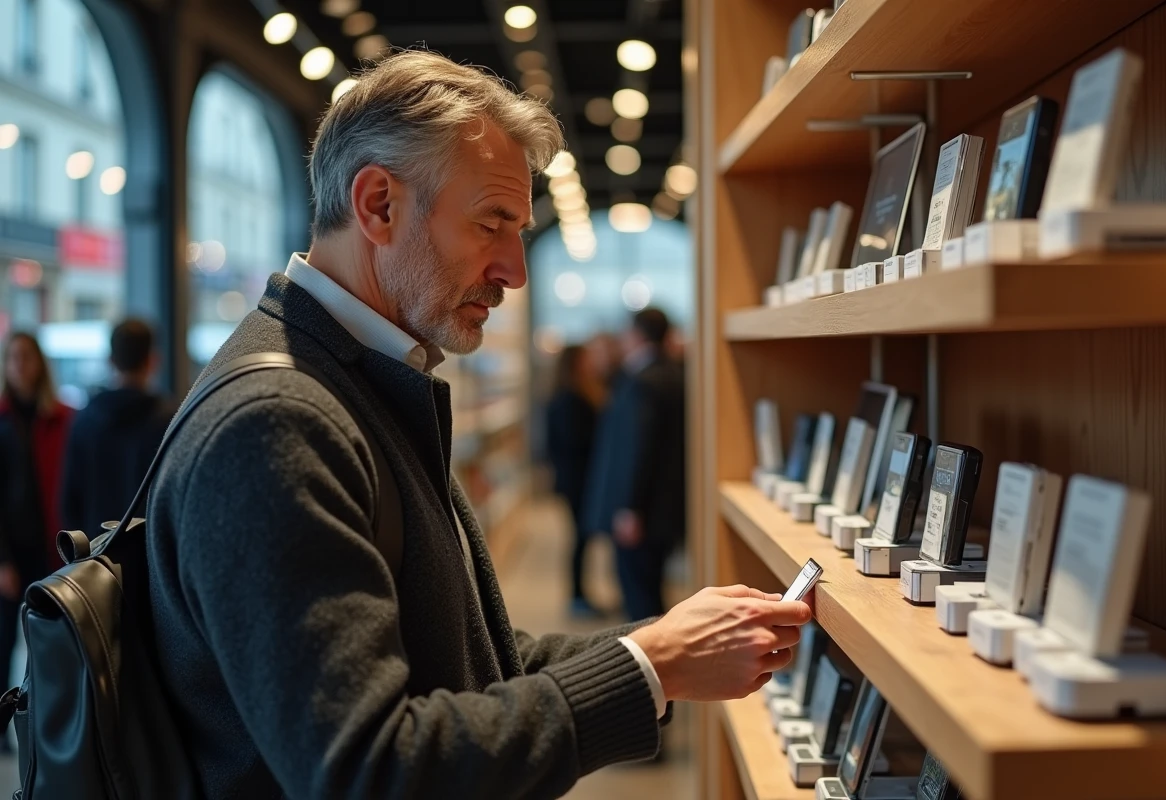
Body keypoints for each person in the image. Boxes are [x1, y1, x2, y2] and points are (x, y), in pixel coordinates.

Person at [146, 50, 810, 799]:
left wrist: (663, 648)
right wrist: (651, 666)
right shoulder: (276, 425)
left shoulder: (353, 382)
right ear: (379, 206)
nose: (514, 271)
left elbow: (465, 660)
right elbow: (369, 771)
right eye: (492, 224)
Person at [584, 308, 687, 622]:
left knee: (639, 596)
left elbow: (636, 449)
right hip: (663, 506)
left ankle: (650, 651)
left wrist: (629, 508)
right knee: (651, 587)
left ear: (636, 335)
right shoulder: (673, 373)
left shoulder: (643, 381)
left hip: (642, 512)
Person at [0, 333, 72, 704]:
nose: (20, 365)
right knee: (3, 643)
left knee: (48, 642)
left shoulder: (62, 418)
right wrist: (2, 562)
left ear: (40, 364)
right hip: (10, 551)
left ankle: (45, 719)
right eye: (13, 358)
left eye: (27, 357)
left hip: (51, 548)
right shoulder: (2, 419)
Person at [60, 319, 174, 535]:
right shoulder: (168, 422)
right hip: (148, 550)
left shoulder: (84, 422)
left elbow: (69, 504)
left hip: (96, 549)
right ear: (153, 360)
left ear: (110, 361)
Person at [545, 344, 602, 617]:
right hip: (577, 480)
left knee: (582, 537)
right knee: (579, 538)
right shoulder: (569, 399)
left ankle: (581, 594)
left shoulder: (575, 393)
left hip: (577, 478)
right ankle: (577, 596)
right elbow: (574, 442)